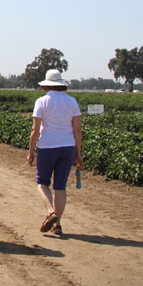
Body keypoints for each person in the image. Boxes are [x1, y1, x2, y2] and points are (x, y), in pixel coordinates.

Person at [28, 69, 84, 236]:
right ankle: (57, 224)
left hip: (47, 146)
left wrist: (31, 150)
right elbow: (77, 129)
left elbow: (35, 130)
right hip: (67, 146)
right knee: (60, 185)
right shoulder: (72, 101)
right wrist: (78, 152)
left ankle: (50, 211)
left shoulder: (41, 102)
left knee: (42, 183)